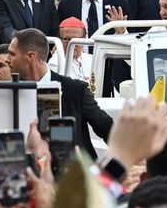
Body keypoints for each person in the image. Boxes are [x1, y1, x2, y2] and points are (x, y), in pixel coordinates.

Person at [8, 28, 112, 157]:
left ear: (30, 56)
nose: (7, 59)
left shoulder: (74, 90)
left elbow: (105, 126)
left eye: (12, 54)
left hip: (75, 172)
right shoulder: (9, 93)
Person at [55, 17, 93, 83]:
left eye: (76, 39)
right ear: (60, 39)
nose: (71, 44)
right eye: (66, 39)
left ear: (84, 39)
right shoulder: (55, 62)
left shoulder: (92, 59)